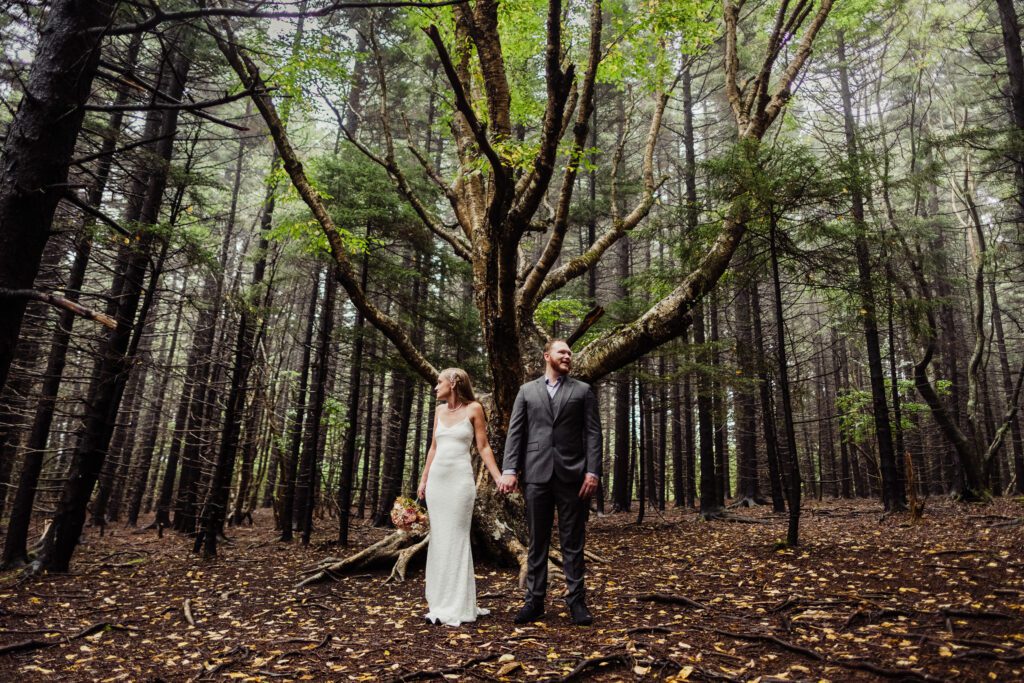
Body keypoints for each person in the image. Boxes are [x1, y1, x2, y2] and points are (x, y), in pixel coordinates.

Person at [499, 339, 602, 626]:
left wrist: (592, 472)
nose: (568, 356)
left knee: (573, 542)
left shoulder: (582, 391)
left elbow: (593, 434)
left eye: (570, 353)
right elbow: (516, 434)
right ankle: (534, 601)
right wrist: (510, 469)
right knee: (537, 542)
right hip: (536, 475)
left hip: (574, 476)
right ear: (547, 356)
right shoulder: (527, 391)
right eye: (562, 352)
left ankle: (577, 602)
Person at [417, 368, 502, 626]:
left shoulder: (474, 408)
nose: (435, 387)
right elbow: (433, 447)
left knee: (457, 538)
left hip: (460, 483)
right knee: (440, 539)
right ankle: (440, 601)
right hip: (438, 483)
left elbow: (483, 446)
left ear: (453, 383)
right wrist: (423, 479)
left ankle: (459, 604)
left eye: (439, 382)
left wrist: (498, 477)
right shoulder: (440, 412)